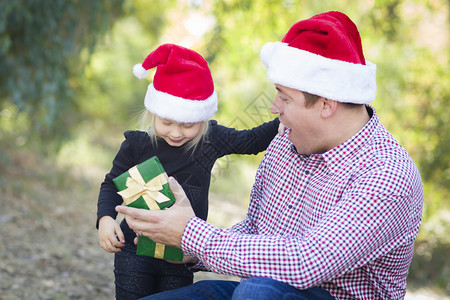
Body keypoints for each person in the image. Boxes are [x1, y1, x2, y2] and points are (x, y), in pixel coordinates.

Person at [116, 11, 424, 300]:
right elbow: (254, 231)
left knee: (257, 293)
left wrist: (192, 233)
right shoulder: (285, 142)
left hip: (319, 294)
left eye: (285, 97)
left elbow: (306, 262)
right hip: (258, 289)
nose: (274, 107)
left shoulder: (387, 173)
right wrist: (188, 246)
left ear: (327, 105)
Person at [96, 43, 280, 299]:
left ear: (202, 118)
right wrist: (105, 220)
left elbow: (252, 141)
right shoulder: (137, 144)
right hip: (134, 250)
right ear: (153, 113)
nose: (176, 132)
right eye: (166, 122)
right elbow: (111, 185)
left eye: (188, 125)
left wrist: (285, 118)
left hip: (180, 253)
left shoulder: (210, 140)